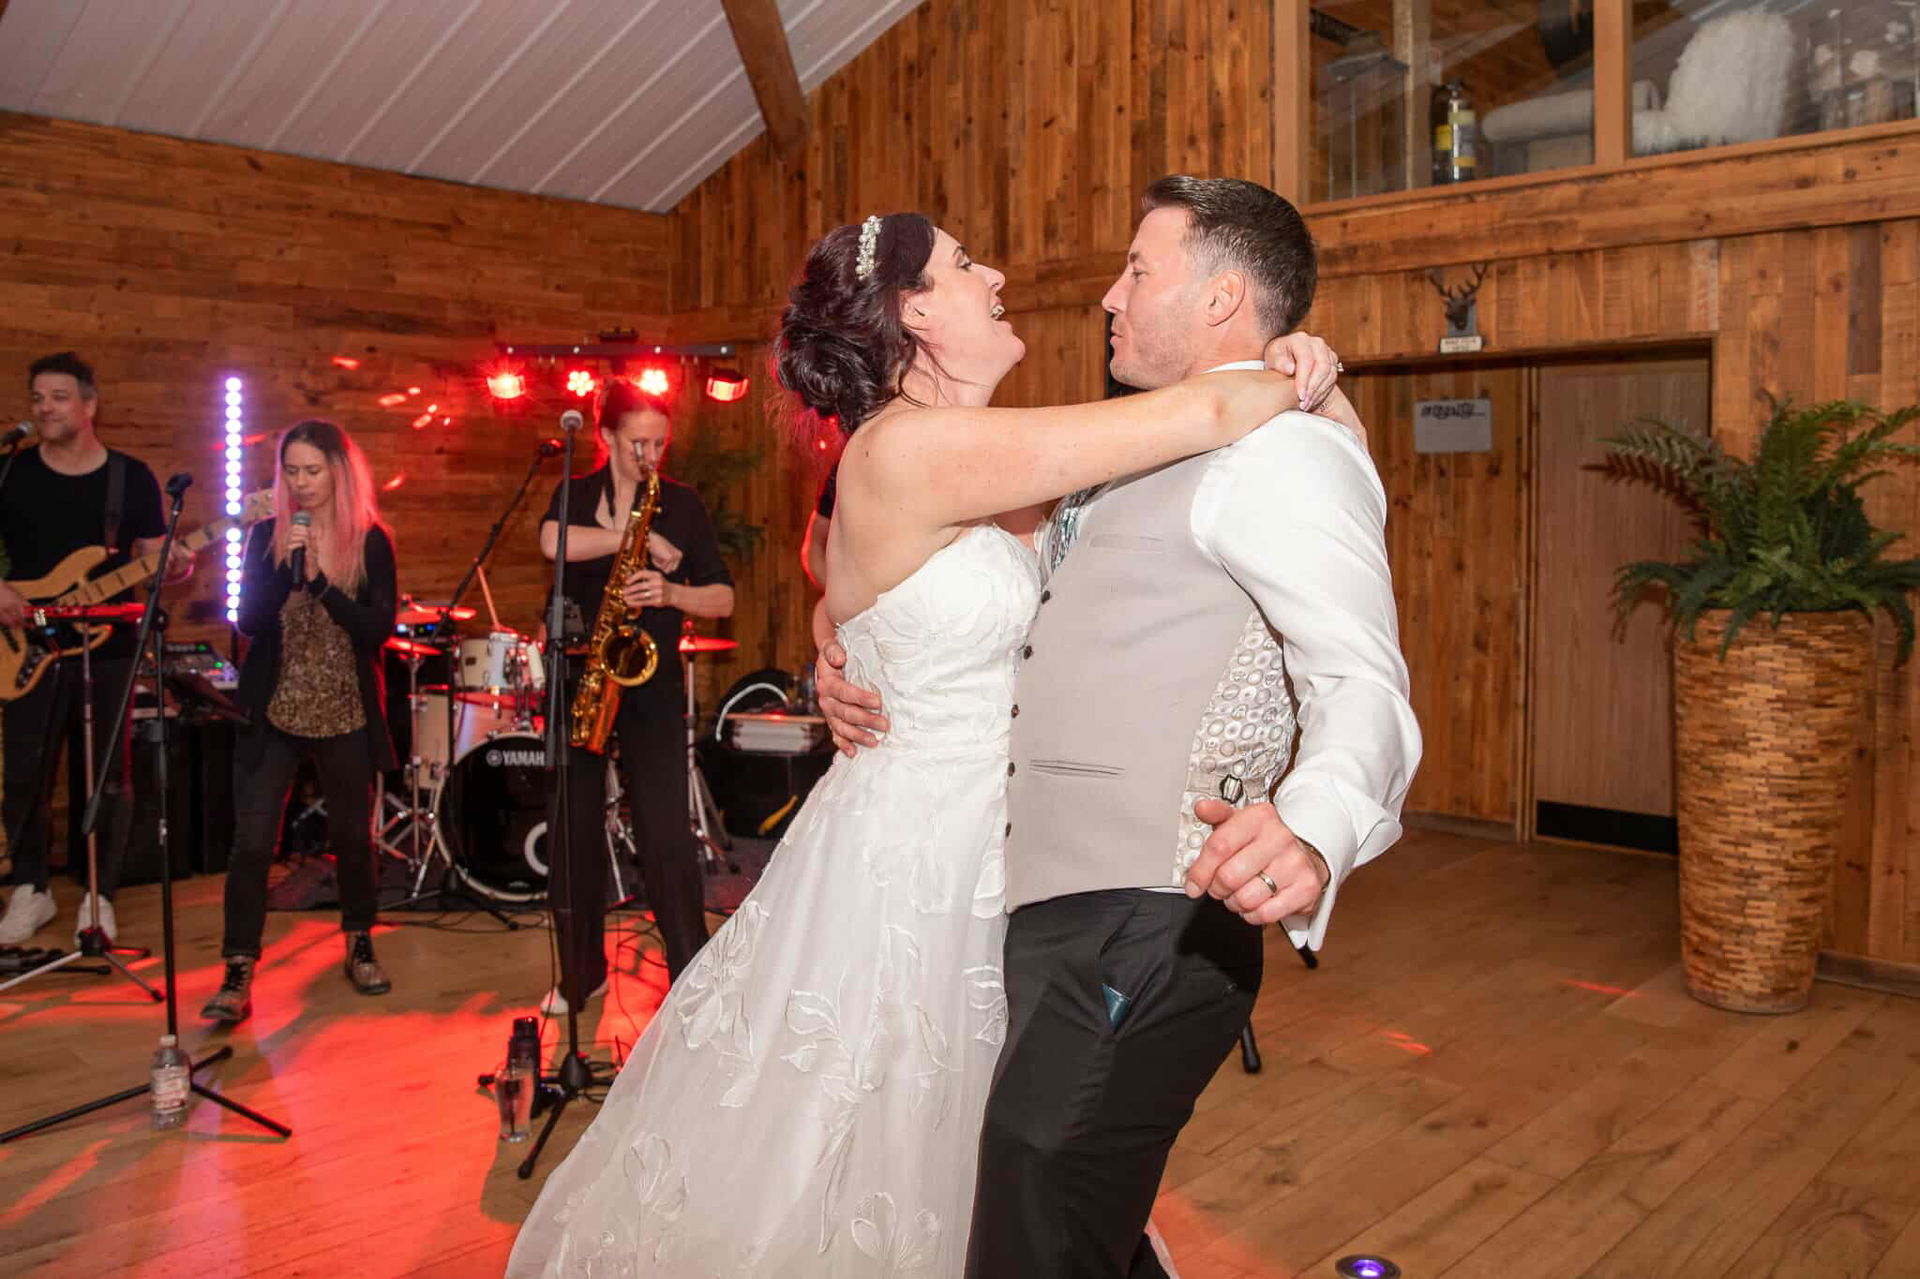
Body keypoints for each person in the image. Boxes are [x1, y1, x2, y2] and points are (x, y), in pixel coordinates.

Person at [506, 207, 1344, 1277]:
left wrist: (837, 642)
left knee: (1007, 1159)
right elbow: (1209, 408)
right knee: (901, 1147)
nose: (995, 275)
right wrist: (1304, 369)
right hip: (920, 863)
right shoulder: (913, 446)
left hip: (999, 845)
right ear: (914, 313)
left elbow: (855, 588)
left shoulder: (962, 456)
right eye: (963, 265)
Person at [821, 179, 1421, 1278]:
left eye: (1138, 270)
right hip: (1022, 908)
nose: (1108, 294)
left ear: (1221, 298)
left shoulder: (1287, 450)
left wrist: (1316, 819)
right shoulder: (1111, 453)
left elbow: (1363, 677)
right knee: (1058, 1220)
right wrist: (846, 650)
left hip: (1156, 911)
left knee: (1034, 1194)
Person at [536, 381, 734, 1016]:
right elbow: (553, 543)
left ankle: (688, 977)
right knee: (573, 833)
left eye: (658, 443)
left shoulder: (681, 504)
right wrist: (635, 539)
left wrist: (672, 594)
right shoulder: (575, 495)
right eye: (636, 444)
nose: (649, 455)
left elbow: (723, 598)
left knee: (665, 833)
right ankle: (581, 975)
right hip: (580, 677)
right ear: (605, 437)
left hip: (650, 681)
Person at [201, 420, 398, 1023]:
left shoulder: (370, 541)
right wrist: (287, 570)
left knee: (352, 839)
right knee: (252, 841)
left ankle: (359, 941)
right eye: (292, 472)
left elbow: (376, 629)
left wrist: (321, 583)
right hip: (276, 708)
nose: (302, 483)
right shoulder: (267, 536)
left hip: (344, 708)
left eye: (313, 470)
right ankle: (238, 966)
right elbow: (250, 623)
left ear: (339, 472)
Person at [0, 351, 194, 947]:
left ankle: (98, 893)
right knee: (25, 770)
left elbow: (155, 554)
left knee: (107, 775)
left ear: (89, 405)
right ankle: (30, 888)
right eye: (38, 398)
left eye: (58, 397)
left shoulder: (128, 478)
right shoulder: (11, 472)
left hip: (108, 646)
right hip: (26, 644)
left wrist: (176, 565)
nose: (44, 408)